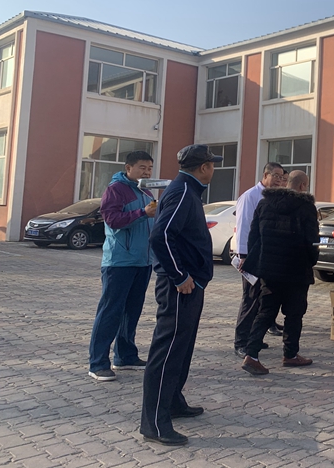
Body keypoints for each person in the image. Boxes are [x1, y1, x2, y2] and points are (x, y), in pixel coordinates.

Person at [139, 145, 223, 447]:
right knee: (167, 351)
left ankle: (173, 401)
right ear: (203, 168)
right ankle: (154, 423)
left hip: (190, 285)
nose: (214, 169)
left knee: (181, 349)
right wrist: (180, 275)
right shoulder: (183, 192)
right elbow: (160, 236)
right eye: (212, 164)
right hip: (179, 286)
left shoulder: (188, 190)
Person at [241, 170, 319, 375]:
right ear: (302, 185)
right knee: (294, 313)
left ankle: (251, 354)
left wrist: (258, 261)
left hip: (269, 268)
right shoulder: (306, 207)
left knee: (266, 311)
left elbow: (253, 236)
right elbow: (312, 240)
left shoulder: (264, 203)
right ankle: (290, 354)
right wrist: (311, 260)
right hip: (297, 268)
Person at [88, 151, 157, 382]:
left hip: (143, 261)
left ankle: (125, 356)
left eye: (149, 168)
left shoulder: (146, 192)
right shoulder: (116, 190)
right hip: (119, 261)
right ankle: (98, 363)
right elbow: (112, 219)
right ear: (128, 168)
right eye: (142, 167)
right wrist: (142, 213)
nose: (146, 172)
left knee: (132, 311)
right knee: (111, 311)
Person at [233, 162, 286, 358]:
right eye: (276, 176)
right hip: (252, 256)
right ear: (265, 175)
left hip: (269, 255)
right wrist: (243, 256)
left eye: (282, 177)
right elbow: (243, 226)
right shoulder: (250, 196)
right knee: (250, 299)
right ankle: (241, 342)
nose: (279, 180)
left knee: (263, 299)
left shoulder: (274, 197)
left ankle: (254, 337)